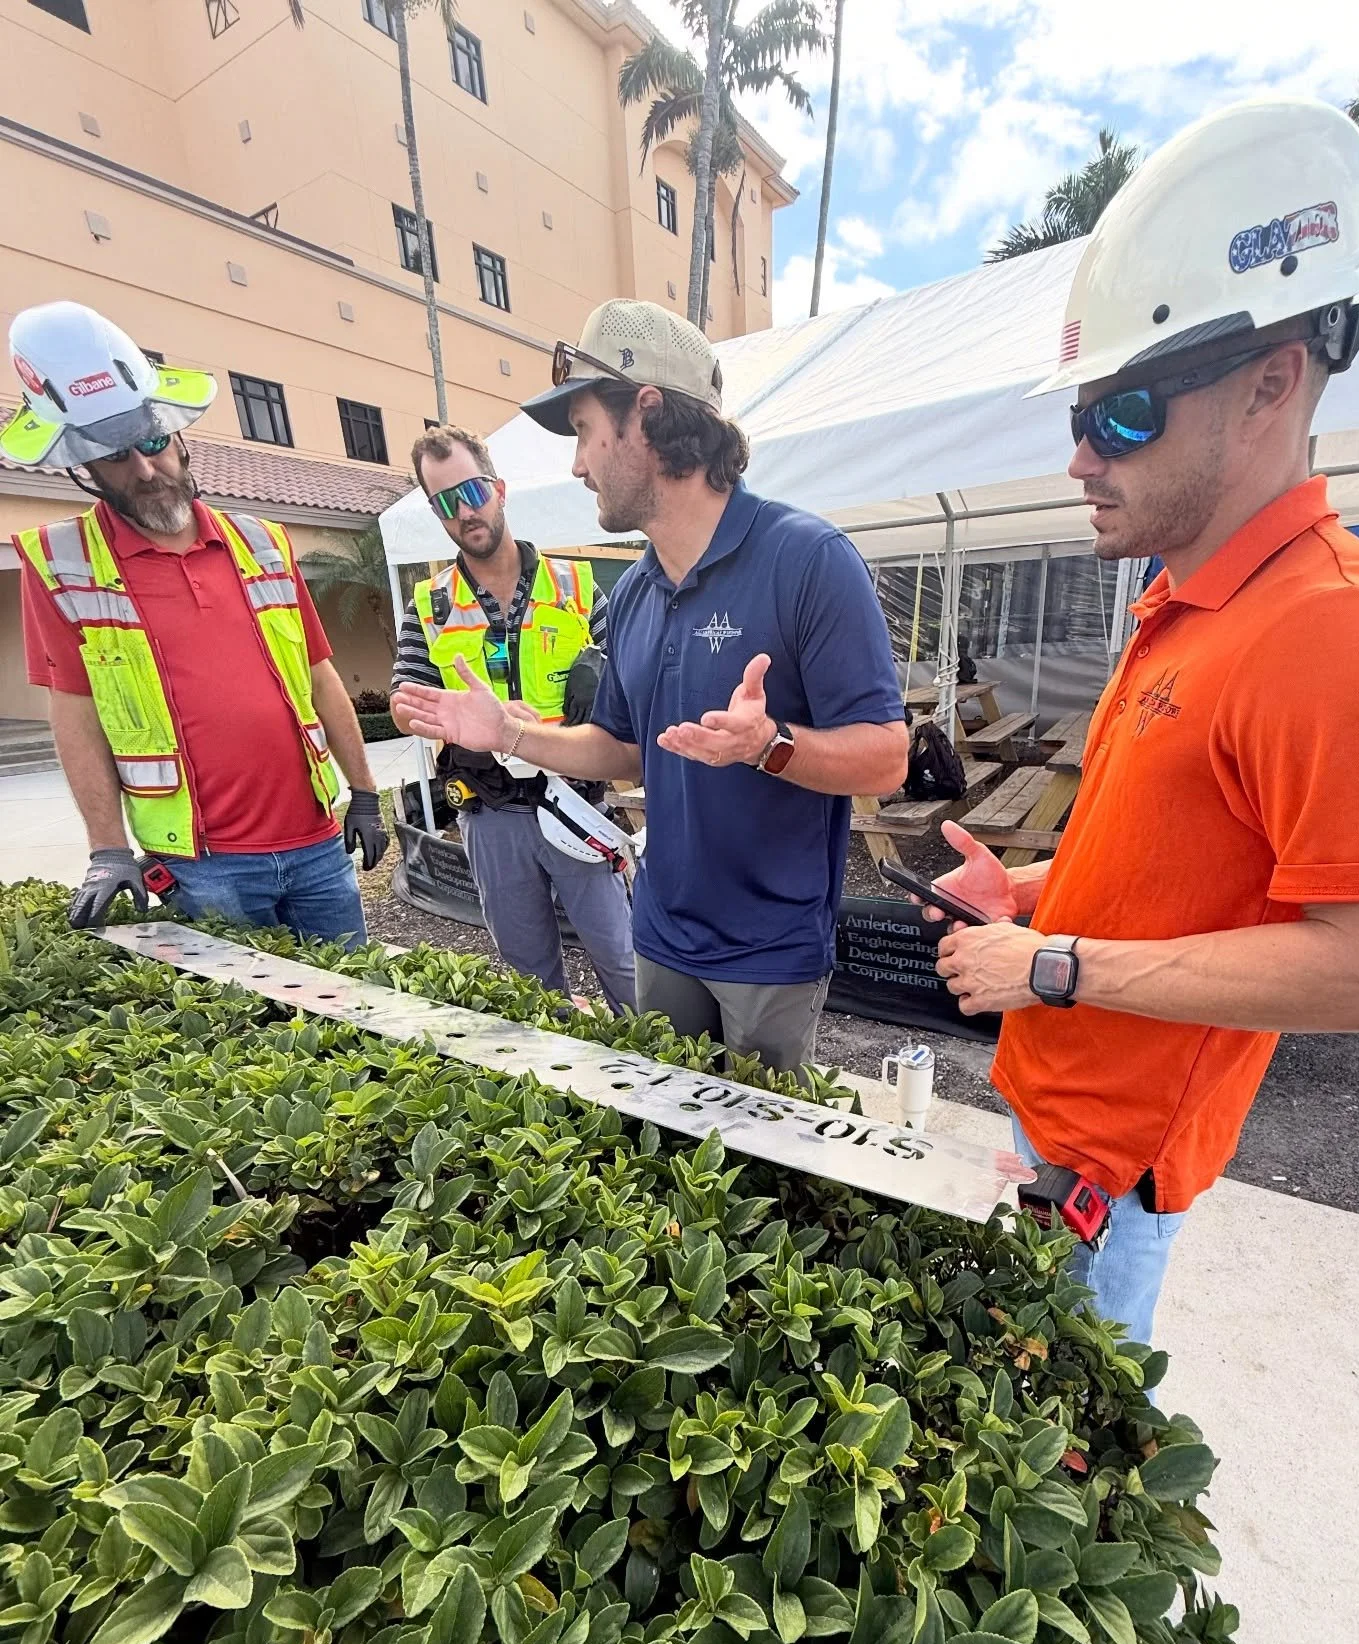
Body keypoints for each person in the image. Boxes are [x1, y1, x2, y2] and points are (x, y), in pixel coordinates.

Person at [921, 99, 1359, 1343]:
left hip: (1109, 1176)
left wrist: (1053, 966)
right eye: (1079, 416)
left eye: (1125, 414)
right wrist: (1041, 890)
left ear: (1271, 383)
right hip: (1058, 1122)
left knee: (1065, 1489)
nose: (1083, 457)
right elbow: (1193, 860)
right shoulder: (1190, 603)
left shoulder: (1342, 629)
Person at [394, 299, 909, 1072]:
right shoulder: (632, 591)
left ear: (648, 415)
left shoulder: (809, 558)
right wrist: (508, 735)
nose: (576, 464)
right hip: (661, 931)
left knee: (765, 1173)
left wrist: (769, 747)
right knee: (669, 1154)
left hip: (770, 949)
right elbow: (624, 749)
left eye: (583, 433)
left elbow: (887, 759)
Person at [5, 301, 387, 947]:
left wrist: (366, 791)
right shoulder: (60, 567)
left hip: (318, 844)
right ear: (86, 469)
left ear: (181, 437)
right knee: (252, 1035)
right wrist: (108, 849)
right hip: (202, 865)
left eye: (153, 443)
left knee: (361, 1018)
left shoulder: (263, 542)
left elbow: (320, 676)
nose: (145, 469)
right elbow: (75, 716)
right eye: (116, 456)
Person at [389, 425, 637, 1013]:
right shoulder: (432, 605)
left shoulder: (576, 586)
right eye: (445, 502)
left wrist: (595, 692)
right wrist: (431, 718)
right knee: (529, 982)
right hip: (489, 811)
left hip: (576, 805)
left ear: (498, 489)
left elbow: (627, 691)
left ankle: (662, 1087)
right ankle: (565, 1092)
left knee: (625, 963)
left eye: (472, 491)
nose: (465, 511)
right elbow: (404, 701)